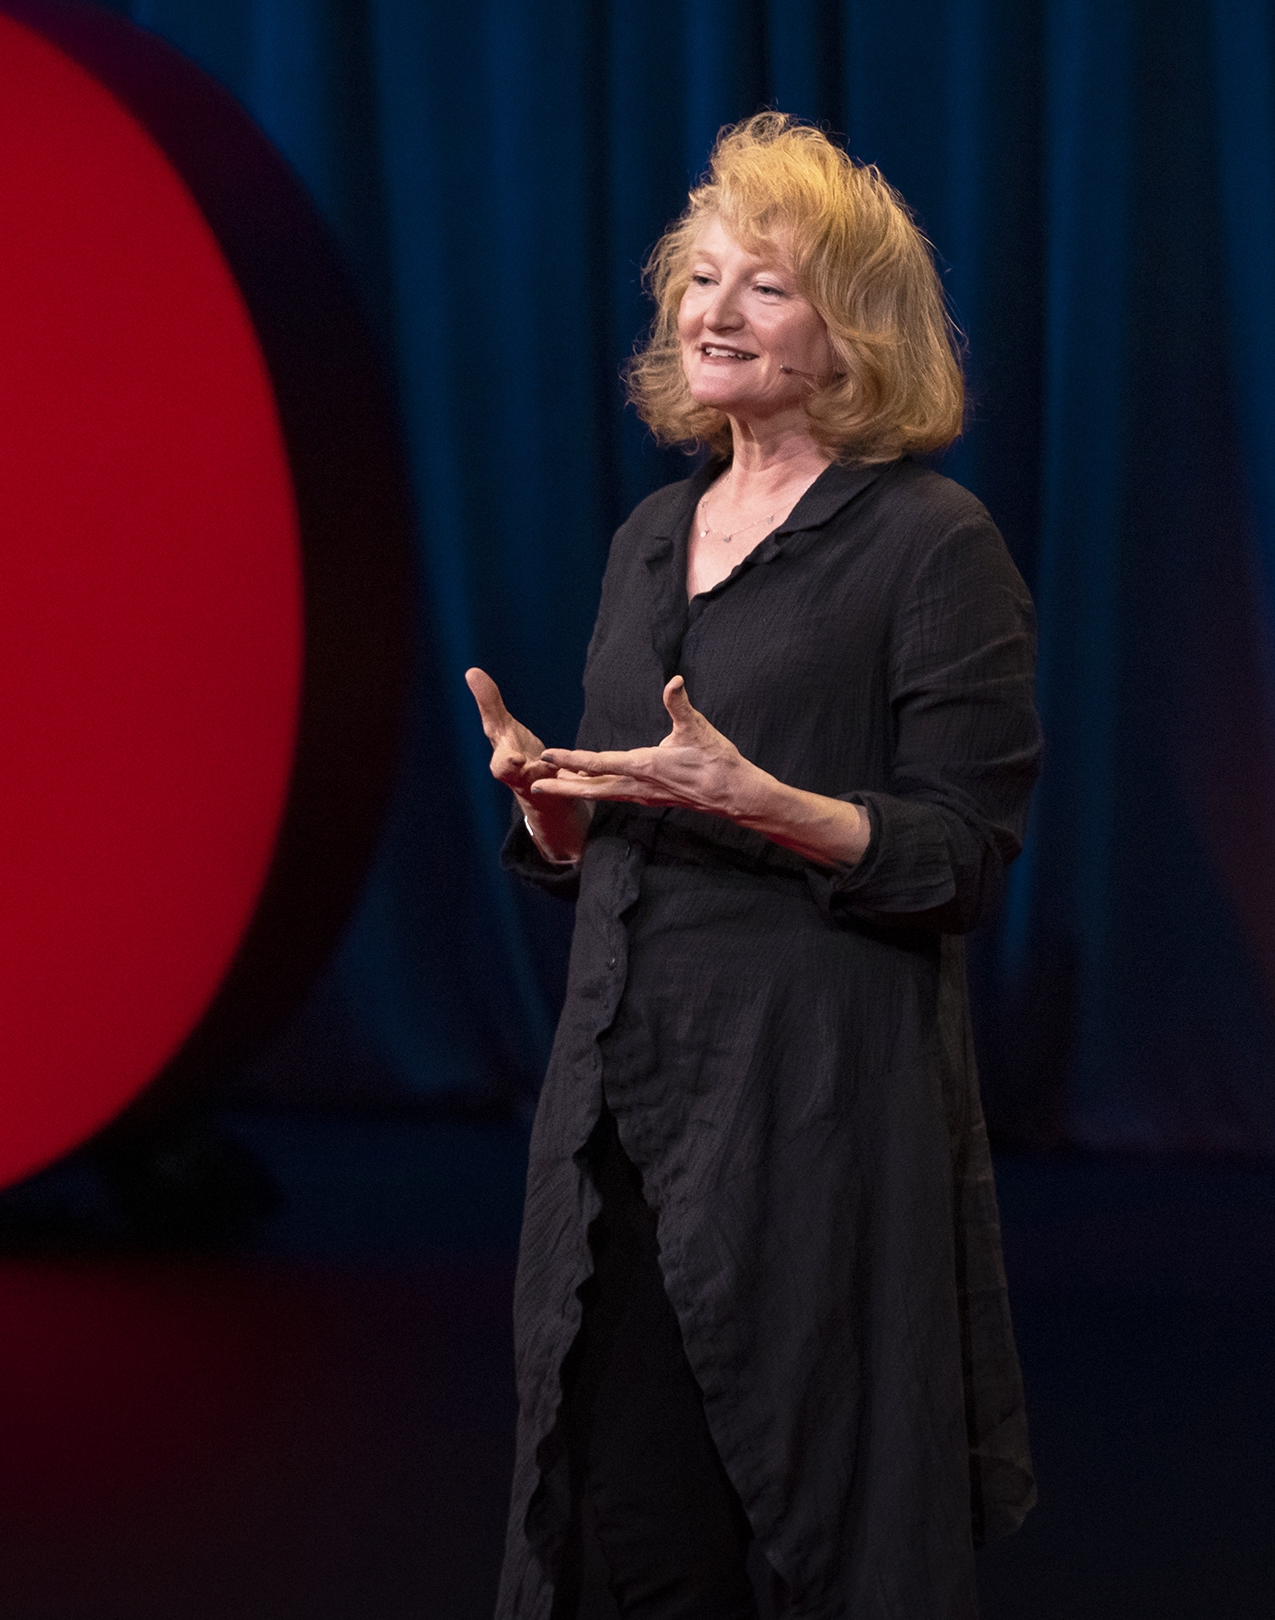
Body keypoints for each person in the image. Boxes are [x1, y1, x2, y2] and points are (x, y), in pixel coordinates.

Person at [468, 112, 1039, 1620]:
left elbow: (962, 856)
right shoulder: (653, 536)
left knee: (808, 1507)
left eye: (764, 287)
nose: (711, 312)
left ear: (853, 332)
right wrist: (557, 815)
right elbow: (632, 826)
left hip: (807, 1111)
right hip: (615, 1108)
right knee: (619, 1516)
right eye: (700, 279)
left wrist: (769, 802)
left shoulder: (930, 544)